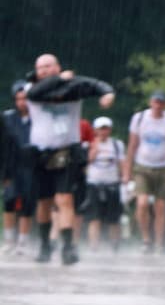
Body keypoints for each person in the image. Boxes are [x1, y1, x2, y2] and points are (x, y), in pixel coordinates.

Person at [25, 54, 114, 265]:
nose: (45, 70)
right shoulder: (31, 89)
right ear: (36, 71)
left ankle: (67, 246)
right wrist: (60, 79)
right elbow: (39, 92)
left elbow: (94, 84)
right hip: (41, 152)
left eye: (49, 66)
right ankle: (45, 244)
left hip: (66, 150)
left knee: (65, 199)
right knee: (44, 201)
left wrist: (107, 94)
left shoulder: (73, 86)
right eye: (41, 68)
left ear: (58, 66)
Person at [126, 90, 165, 254]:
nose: (158, 105)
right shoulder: (139, 119)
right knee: (142, 203)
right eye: (155, 102)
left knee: (161, 207)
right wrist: (127, 170)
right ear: (150, 102)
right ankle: (146, 239)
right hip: (142, 165)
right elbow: (132, 145)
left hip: (164, 167)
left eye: (161, 102)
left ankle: (159, 242)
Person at [83, 117, 127, 252]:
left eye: (106, 128)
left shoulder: (116, 144)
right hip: (94, 183)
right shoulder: (88, 145)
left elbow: (122, 162)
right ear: (95, 130)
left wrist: (125, 176)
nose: (103, 132)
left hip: (112, 183)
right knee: (94, 217)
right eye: (100, 129)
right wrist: (93, 153)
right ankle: (94, 246)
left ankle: (115, 245)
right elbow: (84, 164)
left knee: (114, 217)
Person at [2, 82, 34, 256]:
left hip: (31, 165)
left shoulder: (38, 117)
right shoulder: (7, 118)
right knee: (9, 201)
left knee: (27, 203)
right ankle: (8, 240)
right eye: (19, 99)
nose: (22, 102)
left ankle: (23, 241)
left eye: (25, 99)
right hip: (11, 166)